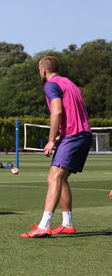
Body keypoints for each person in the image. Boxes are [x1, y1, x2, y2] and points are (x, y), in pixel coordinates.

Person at [20, 56, 92, 238]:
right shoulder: (70, 83)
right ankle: (67, 223)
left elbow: (57, 110)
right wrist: (62, 134)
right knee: (61, 178)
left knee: (53, 177)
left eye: (39, 70)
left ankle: (44, 226)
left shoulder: (50, 85)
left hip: (74, 136)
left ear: (43, 71)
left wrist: (51, 140)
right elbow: (73, 112)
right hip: (83, 134)